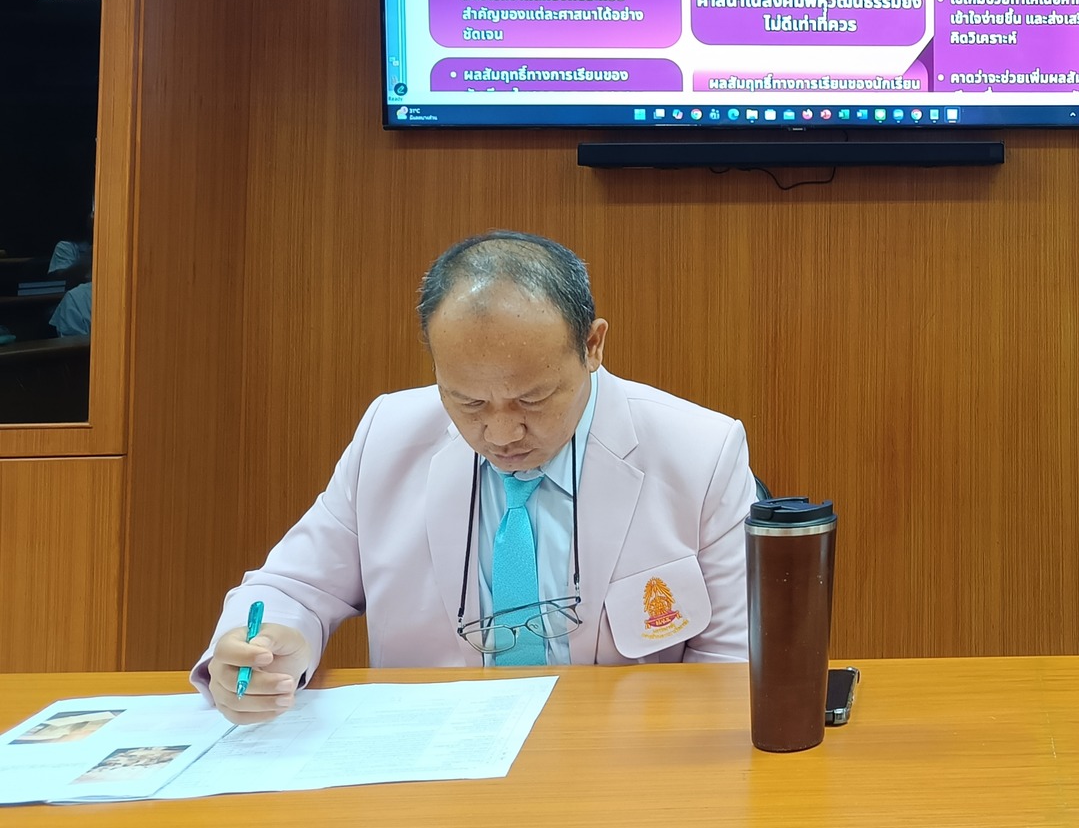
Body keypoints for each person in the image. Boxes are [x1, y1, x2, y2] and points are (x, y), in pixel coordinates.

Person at [195, 232, 754, 724]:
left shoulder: (700, 453)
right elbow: (292, 587)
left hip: (621, 765)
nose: (502, 434)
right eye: (469, 402)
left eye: (532, 399)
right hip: (431, 766)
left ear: (592, 346)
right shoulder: (387, 436)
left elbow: (734, 665)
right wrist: (266, 644)